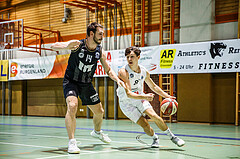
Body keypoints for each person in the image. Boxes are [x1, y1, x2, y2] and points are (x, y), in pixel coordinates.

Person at [51, 22, 125, 154]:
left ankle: (97, 132)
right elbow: (53, 46)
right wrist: (66, 45)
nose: (102, 36)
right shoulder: (77, 45)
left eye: (103, 34)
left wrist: (118, 80)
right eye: (100, 34)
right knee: (72, 105)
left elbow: (108, 70)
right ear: (92, 34)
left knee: (100, 111)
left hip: (86, 84)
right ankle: (72, 142)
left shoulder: (99, 50)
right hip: (71, 81)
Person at [117, 46, 185, 148]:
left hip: (139, 98)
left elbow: (153, 86)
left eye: (132, 57)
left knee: (154, 116)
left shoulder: (144, 71)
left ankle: (173, 137)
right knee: (145, 125)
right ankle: (155, 138)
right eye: (127, 57)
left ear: (138, 57)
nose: (129, 59)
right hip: (126, 102)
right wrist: (144, 96)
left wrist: (167, 96)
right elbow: (129, 94)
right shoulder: (123, 72)